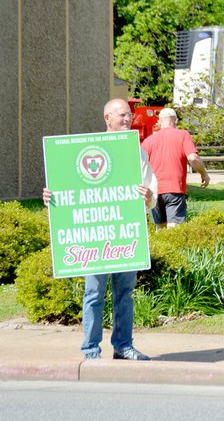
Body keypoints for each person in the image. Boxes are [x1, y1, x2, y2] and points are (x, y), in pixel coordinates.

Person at [43, 98, 157, 360]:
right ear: (107, 118)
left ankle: (123, 345)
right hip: (96, 238)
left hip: (125, 234)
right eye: (121, 116)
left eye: (129, 115)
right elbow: (68, 187)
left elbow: (150, 190)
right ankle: (91, 348)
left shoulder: (135, 151)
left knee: (125, 294)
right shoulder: (85, 148)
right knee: (94, 293)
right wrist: (52, 196)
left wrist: (147, 196)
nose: (127, 120)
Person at [141, 107, 210, 229]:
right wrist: (204, 174)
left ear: (159, 122)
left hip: (154, 191)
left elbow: (139, 164)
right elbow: (193, 158)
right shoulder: (183, 135)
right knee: (174, 228)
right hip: (174, 189)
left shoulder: (148, 141)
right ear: (176, 121)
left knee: (160, 228)